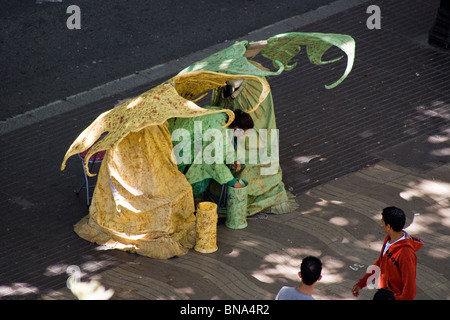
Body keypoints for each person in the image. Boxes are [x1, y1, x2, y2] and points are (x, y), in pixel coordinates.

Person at [169, 107, 254, 197]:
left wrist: (232, 159)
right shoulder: (219, 130)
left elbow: (225, 143)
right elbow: (215, 162)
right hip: (176, 141)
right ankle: (181, 197)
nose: (243, 136)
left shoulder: (224, 115)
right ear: (237, 128)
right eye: (243, 133)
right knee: (194, 178)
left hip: (173, 123)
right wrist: (234, 182)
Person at [352, 206, 424, 300]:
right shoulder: (389, 239)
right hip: (384, 293)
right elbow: (380, 263)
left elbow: (410, 287)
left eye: (382, 222)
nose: (381, 224)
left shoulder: (406, 254)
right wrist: (362, 283)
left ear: (388, 226)